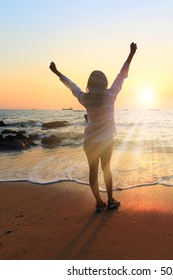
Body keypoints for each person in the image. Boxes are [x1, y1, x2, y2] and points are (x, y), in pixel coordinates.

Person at [49, 42, 137, 212]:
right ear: (104, 83)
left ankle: (98, 202)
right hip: (106, 142)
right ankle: (111, 200)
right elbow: (122, 75)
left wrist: (57, 72)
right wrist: (131, 53)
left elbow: (71, 85)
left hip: (89, 141)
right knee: (107, 170)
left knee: (92, 171)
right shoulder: (111, 95)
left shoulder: (84, 98)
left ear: (90, 83)